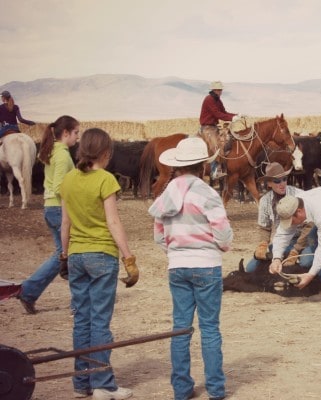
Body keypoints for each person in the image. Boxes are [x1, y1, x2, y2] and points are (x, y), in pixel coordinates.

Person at [148, 137, 232, 400]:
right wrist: (219, 247)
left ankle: (182, 389)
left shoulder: (166, 194)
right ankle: (216, 389)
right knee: (209, 328)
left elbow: (159, 237)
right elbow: (223, 233)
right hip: (206, 266)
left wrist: (176, 252)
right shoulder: (208, 193)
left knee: (180, 328)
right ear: (203, 166)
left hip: (177, 266)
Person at [60, 128, 139, 400]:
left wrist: (63, 255)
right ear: (105, 153)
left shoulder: (68, 180)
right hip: (102, 256)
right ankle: (103, 384)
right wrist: (128, 257)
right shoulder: (105, 179)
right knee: (100, 322)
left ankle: (82, 382)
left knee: (81, 320)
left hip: (76, 256)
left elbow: (65, 223)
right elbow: (113, 222)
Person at [16, 115, 79, 314]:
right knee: (71, 254)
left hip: (51, 208)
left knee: (61, 255)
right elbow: (61, 186)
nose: (78, 137)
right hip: (60, 210)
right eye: (76, 133)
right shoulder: (62, 155)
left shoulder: (53, 152)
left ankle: (29, 291)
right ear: (66, 133)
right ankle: (78, 302)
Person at [246, 162, 317, 274]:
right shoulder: (265, 200)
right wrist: (263, 244)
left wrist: (296, 250)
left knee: (306, 262)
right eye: (277, 181)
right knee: (250, 269)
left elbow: (310, 226)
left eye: (284, 179)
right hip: (284, 239)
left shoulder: (300, 196)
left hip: (306, 238)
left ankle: (306, 262)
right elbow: (264, 227)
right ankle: (285, 261)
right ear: (269, 183)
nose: (282, 184)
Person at [199, 81, 239, 180]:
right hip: (207, 128)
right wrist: (231, 118)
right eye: (218, 90)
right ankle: (214, 171)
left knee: (227, 140)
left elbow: (223, 112)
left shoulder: (217, 100)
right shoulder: (209, 99)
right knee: (216, 146)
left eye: (220, 90)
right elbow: (217, 114)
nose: (220, 91)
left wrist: (236, 115)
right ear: (213, 90)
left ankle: (225, 167)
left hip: (214, 127)